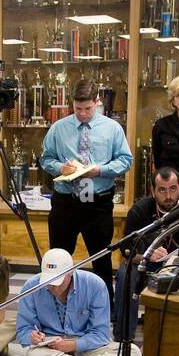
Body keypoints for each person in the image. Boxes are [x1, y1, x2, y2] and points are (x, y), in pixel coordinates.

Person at [41, 80, 133, 295]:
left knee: (101, 258)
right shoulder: (58, 128)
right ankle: (54, 304)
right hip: (66, 203)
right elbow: (45, 159)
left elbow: (126, 161)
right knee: (58, 257)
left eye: (88, 109)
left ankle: (105, 308)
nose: (83, 114)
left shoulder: (112, 128)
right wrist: (60, 168)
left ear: (97, 102)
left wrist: (99, 170)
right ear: (72, 104)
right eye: (78, 109)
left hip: (98, 203)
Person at [15, 248, 140, 356]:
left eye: (57, 282)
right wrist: (31, 336)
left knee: (132, 352)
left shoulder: (95, 285)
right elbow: (22, 331)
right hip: (51, 348)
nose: (52, 287)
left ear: (71, 272)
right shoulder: (31, 287)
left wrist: (73, 345)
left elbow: (100, 334)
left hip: (88, 346)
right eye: (48, 282)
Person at [115, 167, 179, 339]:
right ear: (153, 191)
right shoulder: (139, 211)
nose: (168, 196)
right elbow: (126, 252)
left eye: (173, 189)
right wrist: (147, 255)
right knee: (126, 273)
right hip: (147, 264)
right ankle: (123, 340)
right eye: (162, 190)